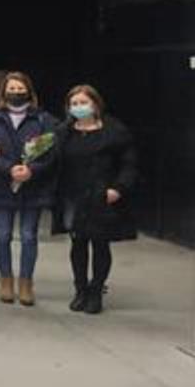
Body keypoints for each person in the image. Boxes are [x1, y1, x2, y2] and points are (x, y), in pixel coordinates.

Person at [52, 85, 137, 315]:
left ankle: (96, 290)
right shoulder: (63, 132)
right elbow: (52, 160)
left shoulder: (114, 131)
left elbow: (129, 164)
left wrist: (118, 188)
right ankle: (80, 289)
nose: (79, 107)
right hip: (73, 196)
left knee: (100, 243)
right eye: (74, 104)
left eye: (83, 102)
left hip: (102, 195)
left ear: (96, 104)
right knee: (77, 243)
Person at [0, 71, 58, 306]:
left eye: (20, 88)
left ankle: (26, 283)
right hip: (3, 186)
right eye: (11, 89)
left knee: (28, 236)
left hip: (33, 187)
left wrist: (31, 169)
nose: (16, 93)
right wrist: (9, 168)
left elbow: (52, 152)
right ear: (4, 92)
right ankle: (6, 281)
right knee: (2, 235)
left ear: (29, 91)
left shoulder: (44, 120)